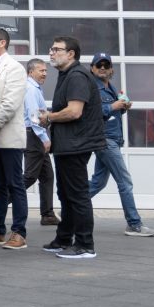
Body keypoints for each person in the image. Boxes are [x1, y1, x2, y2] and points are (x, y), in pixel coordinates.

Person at [39, 36, 106, 260]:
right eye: (51, 48)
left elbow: (74, 111)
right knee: (66, 194)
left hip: (77, 144)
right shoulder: (67, 74)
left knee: (77, 195)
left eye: (57, 49)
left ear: (71, 54)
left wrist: (49, 117)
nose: (51, 53)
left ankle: (85, 245)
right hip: (68, 144)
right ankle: (64, 238)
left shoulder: (77, 75)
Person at [88, 53, 154, 238]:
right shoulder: (91, 88)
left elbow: (112, 114)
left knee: (98, 182)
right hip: (104, 140)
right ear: (92, 68)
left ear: (111, 69)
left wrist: (123, 107)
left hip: (113, 139)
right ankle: (134, 224)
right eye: (99, 65)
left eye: (106, 65)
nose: (103, 68)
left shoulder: (110, 87)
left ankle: (69, 209)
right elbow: (90, 113)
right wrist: (113, 106)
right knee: (125, 182)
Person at [0, 28, 28, 250]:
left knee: (14, 184)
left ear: (2, 43)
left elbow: (9, 104)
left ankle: (19, 232)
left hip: (7, 136)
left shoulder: (15, 68)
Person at [22, 59, 58, 226]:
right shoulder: (30, 89)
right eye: (41, 70)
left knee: (47, 175)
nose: (45, 73)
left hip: (35, 134)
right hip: (34, 136)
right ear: (30, 72)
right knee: (29, 176)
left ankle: (48, 214)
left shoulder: (35, 88)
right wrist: (44, 138)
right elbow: (34, 115)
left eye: (45, 70)